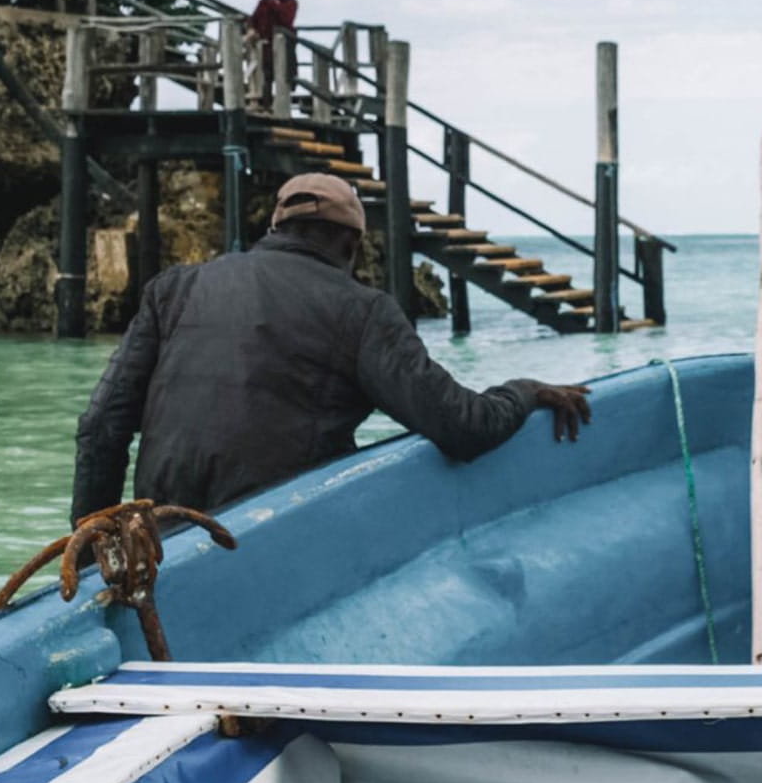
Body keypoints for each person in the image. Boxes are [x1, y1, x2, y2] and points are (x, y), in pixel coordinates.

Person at [71, 173, 592, 525]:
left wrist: (93, 549)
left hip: (158, 545)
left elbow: (100, 427)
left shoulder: (175, 288)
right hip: (268, 542)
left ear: (274, 230)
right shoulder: (362, 312)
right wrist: (525, 391)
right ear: (353, 246)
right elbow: (463, 427)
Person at [243, 0, 297, 106]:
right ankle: (266, 105)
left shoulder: (291, 3)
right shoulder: (264, 3)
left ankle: (281, 106)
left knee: (284, 75)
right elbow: (254, 19)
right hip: (266, 45)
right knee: (267, 77)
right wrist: (251, 29)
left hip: (284, 45)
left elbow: (285, 19)